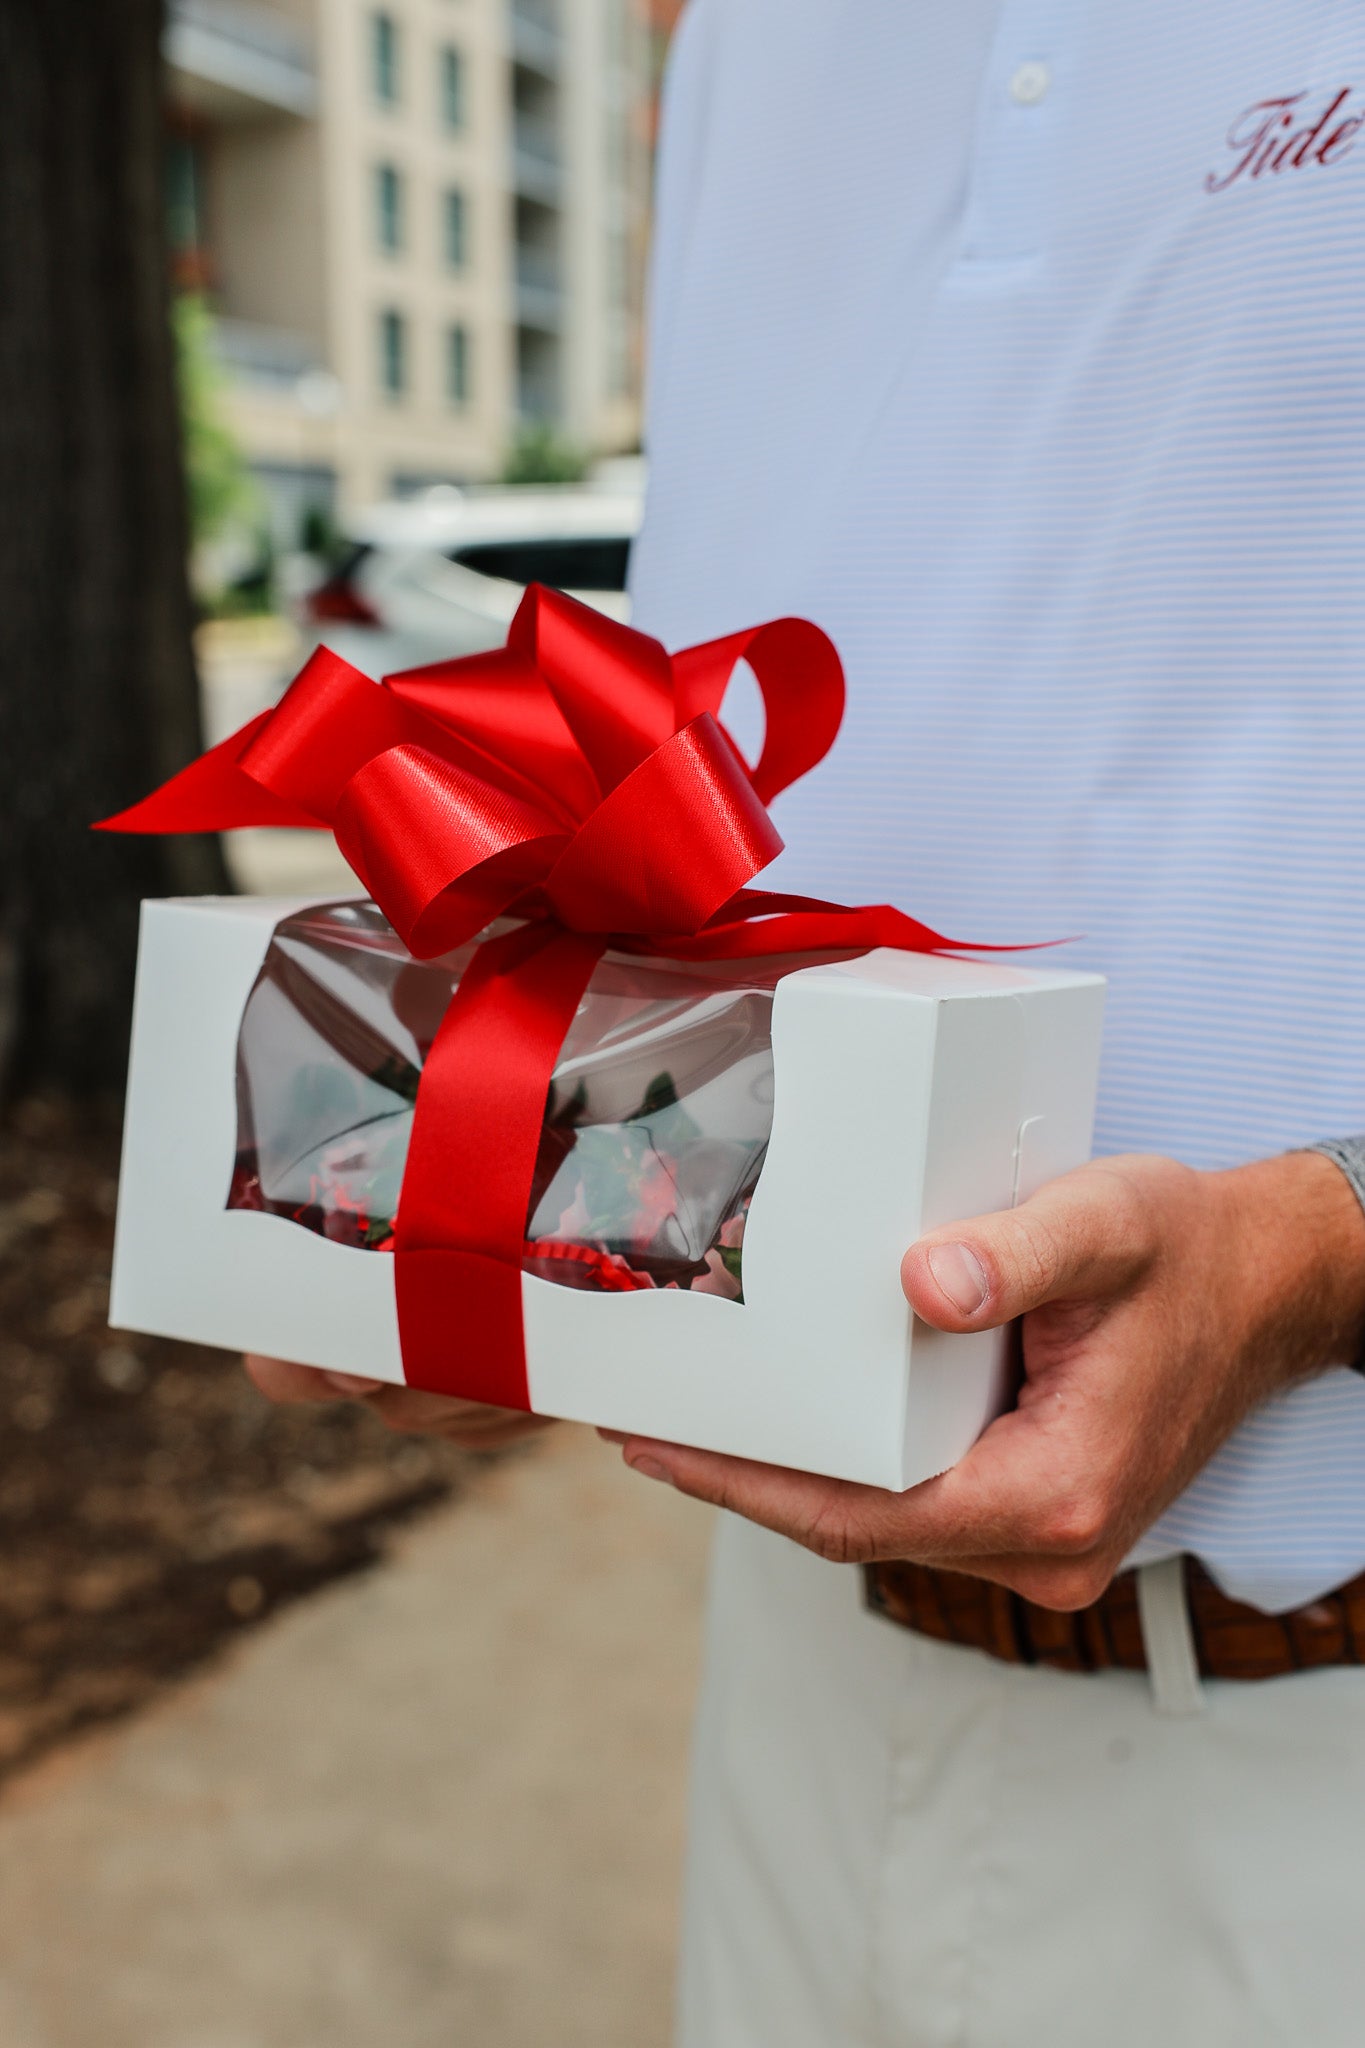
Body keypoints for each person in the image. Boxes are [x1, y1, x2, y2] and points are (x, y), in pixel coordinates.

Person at [252, 4, 1365, 2039]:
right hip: (796, 1687)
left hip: (1319, 1757)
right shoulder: (742, 46)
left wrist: (1315, 1253)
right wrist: (496, 1216)